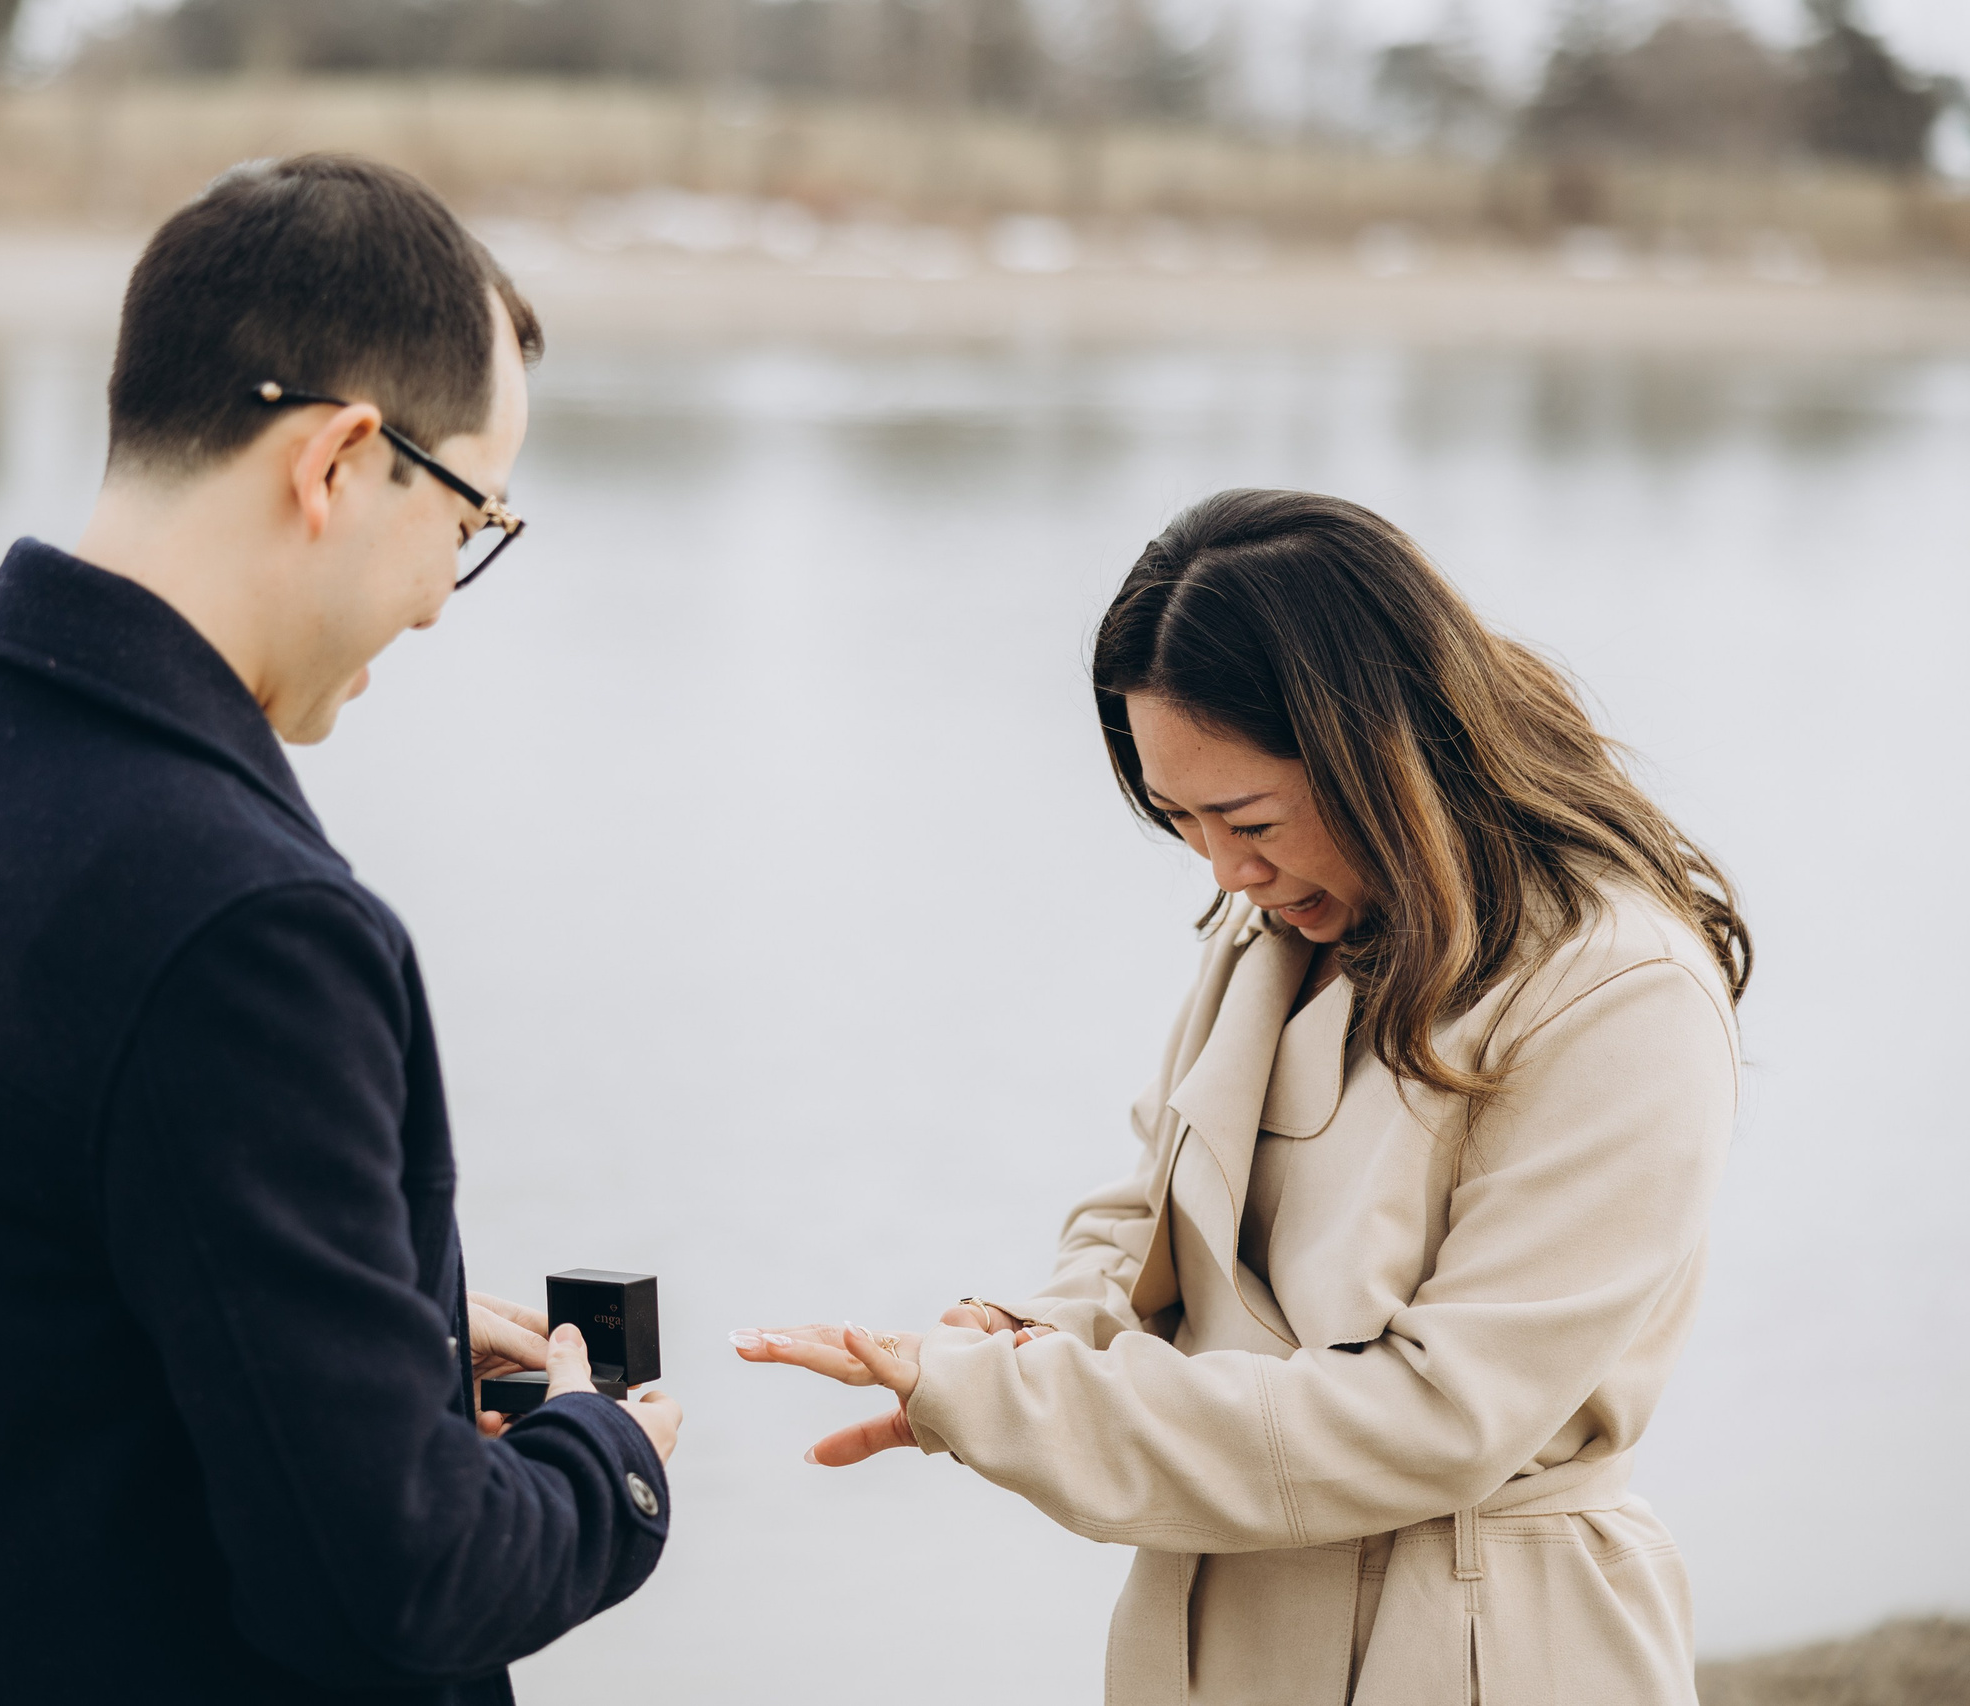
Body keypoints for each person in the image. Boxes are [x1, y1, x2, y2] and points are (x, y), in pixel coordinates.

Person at [0, 154, 679, 1706]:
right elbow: (390, 1582)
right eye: (469, 515)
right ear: (337, 461)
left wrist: (340, 1313)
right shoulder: (252, 923)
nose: (449, 597)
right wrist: (609, 1469)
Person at [734, 489, 1748, 1703]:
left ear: (1391, 754)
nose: (1223, 868)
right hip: (1214, 1625)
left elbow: (1437, 1418)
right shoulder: (1276, 920)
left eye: (1248, 816)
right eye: (1178, 819)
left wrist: (1022, 1399)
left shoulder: (1617, 990)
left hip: (1479, 1638)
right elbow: (1150, 1212)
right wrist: (1020, 1334)